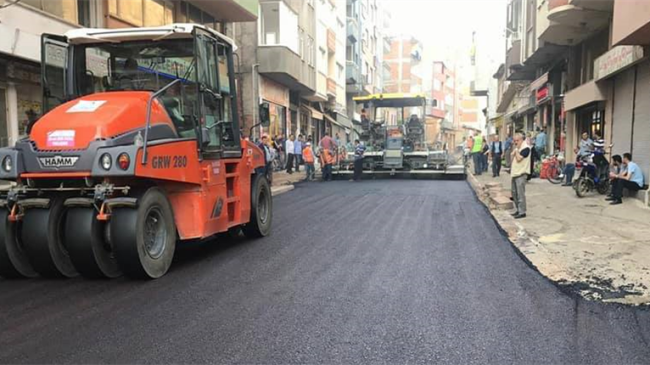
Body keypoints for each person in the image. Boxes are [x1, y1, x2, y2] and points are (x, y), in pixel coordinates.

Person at [510, 132, 531, 219]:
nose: (515, 142)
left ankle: (522, 212)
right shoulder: (518, 148)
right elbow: (512, 157)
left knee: (520, 194)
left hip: (521, 174)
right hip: (515, 173)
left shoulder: (526, 148)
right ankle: (518, 209)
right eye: (514, 141)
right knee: (514, 193)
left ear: (522, 140)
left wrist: (516, 151)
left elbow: (518, 159)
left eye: (517, 141)